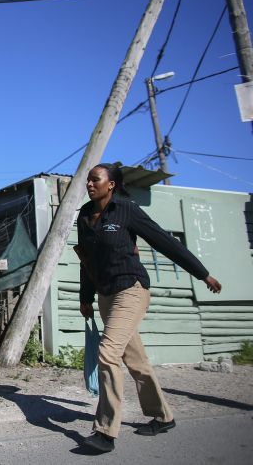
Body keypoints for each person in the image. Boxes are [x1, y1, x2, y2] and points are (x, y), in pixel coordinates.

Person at [76, 163, 222, 453]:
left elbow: (165, 242)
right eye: (88, 180)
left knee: (107, 354)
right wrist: (86, 297)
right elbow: (86, 260)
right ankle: (163, 416)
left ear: (111, 184)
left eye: (96, 179)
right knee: (136, 360)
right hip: (106, 295)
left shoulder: (126, 210)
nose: (90, 184)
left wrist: (202, 273)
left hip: (131, 290)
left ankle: (105, 432)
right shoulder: (84, 215)